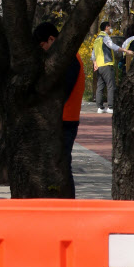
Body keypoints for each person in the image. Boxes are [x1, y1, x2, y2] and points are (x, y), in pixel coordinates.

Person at [33, 21, 84, 198]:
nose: (43, 50)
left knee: (61, 164)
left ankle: (67, 201)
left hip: (65, 119)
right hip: (63, 118)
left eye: (43, 45)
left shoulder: (70, 59)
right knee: (59, 163)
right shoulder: (69, 56)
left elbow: (64, 91)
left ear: (51, 39)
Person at [92, 21, 128, 113]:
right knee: (111, 86)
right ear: (106, 27)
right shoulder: (105, 37)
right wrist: (125, 50)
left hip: (99, 66)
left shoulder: (97, 39)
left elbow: (93, 54)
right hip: (107, 64)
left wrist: (95, 63)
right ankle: (111, 107)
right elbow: (112, 46)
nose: (111, 28)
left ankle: (100, 107)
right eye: (110, 26)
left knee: (100, 86)